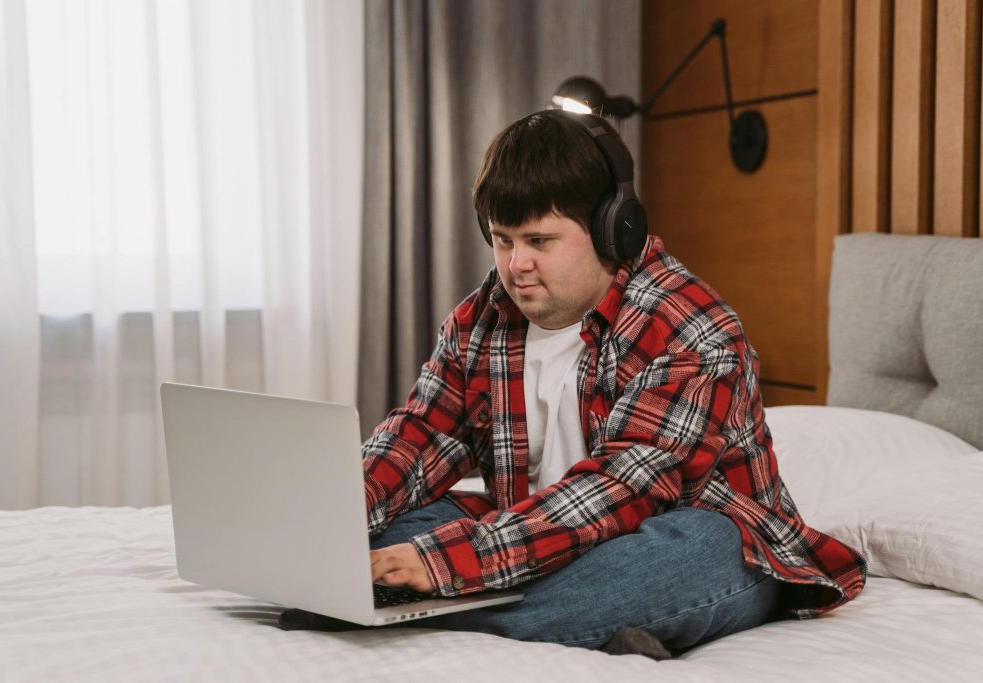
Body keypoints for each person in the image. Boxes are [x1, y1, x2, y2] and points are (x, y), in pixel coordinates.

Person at [317, 109, 865, 657]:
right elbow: (418, 437)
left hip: (674, 538)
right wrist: (335, 515)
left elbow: (619, 491)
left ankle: (411, 613)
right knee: (390, 530)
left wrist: (445, 563)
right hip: (538, 529)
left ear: (613, 228)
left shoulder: (691, 329)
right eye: (502, 240)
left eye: (539, 240)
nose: (517, 265)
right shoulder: (479, 320)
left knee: (699, 548)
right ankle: (583, 622)